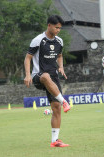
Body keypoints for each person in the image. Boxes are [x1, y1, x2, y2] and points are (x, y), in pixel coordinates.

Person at [24, 15, 71, 147]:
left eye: (60, 28)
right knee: (45, 76)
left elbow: (60, 55)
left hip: (54, 77)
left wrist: (61, 67)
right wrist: (27, 75)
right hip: (38, 76)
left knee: (56, 109)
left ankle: (55, 141)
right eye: (56, 27)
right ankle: (64, 101)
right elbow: (28, 58)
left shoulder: (59, 41)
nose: (58, 30)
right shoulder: (38, 40)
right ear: (49, 25)